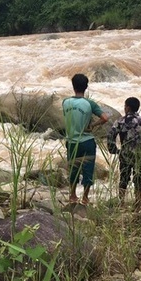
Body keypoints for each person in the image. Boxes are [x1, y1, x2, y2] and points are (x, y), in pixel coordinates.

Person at [62, 74, 109, 205]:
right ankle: (85, 198)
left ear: (73, 86)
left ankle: (72, 196)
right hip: (87, 141)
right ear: (86, 87)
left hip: (72, 141)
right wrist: (92, 126)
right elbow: (105, 118)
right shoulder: (89, 104)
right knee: (88, 170)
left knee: (73, 169)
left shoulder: (65, 102)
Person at [107, 97, 141, 209]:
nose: (124, 108)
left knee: (123, 179)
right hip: (139, 154)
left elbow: (110, 135)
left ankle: (121, 203)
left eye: (125, 106)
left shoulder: (120, 121)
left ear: (128, 108)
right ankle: (137, 204)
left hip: (125, 154)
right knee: (139, 179)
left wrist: (115, 150)